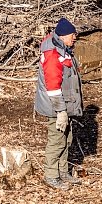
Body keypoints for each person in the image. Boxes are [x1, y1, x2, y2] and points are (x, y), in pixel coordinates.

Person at [35, 18, 83, 190]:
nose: (75, 37)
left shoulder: (63, 49)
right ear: (62, 36)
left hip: (65, 105)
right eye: (72, 35)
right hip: (56, 107)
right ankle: (51, 176)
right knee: (56, 142)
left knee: (66, 140)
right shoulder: (53, 56)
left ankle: (63, 172)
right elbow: (53, 88)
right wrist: (61, 112)